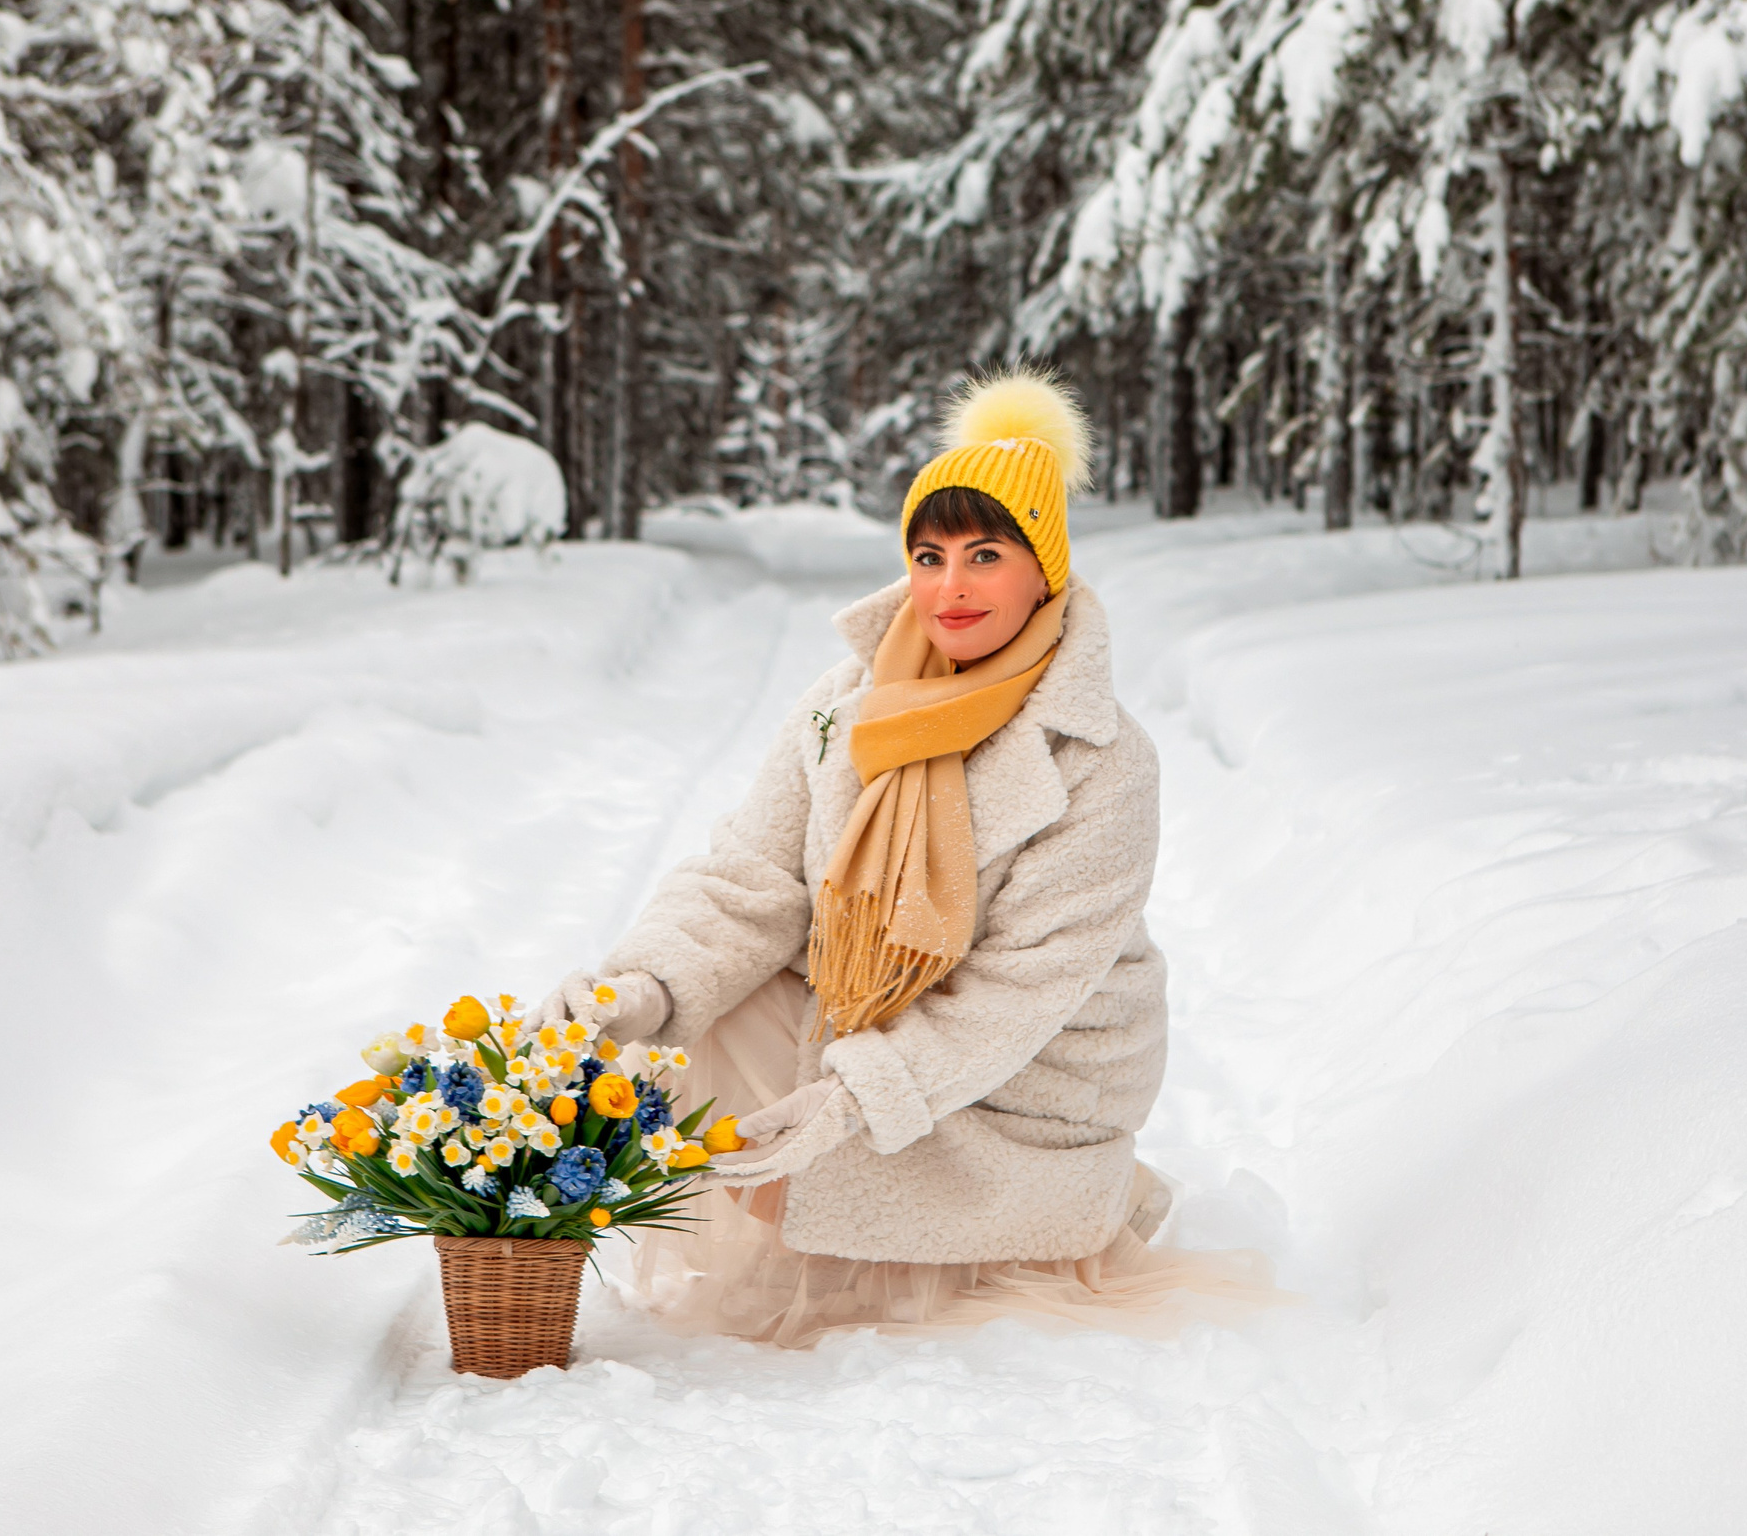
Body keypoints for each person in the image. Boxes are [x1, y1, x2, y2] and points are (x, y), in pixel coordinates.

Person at [537, 366, 1275, 1346]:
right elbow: (749, 878)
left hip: (1029, 1066)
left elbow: (1022, 991)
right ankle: (817, 1215)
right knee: (705, 1009)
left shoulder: (1100, 755)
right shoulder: (845, 702)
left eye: (985, 555)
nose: (951, 588)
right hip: (879, 1012)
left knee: (889, 1140)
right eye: (929, 556)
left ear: (1042, 571)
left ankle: (996, 1219)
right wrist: (642, 987)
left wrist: (855, 1097)